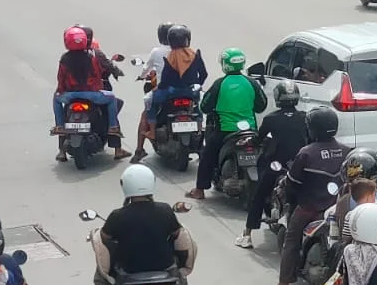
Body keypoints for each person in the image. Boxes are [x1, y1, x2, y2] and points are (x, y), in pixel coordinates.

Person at [93, 165, 197, 285]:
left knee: (100, 278)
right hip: (164, 268)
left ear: (125, 185)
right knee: (180, 274)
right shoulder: (165, 210)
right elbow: (177, 233)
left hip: (130, 271)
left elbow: (105, 239)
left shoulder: (117, 216)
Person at [270, 107, 347, 285]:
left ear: (313, 129)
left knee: (291, 239)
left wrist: (286, 192)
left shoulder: (306, 153)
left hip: (310, 208)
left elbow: (292, 183)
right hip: (339, 207)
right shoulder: (346, 151)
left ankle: (283, 284)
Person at [237, 80, 311, 249]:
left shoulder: (271, 119)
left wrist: (249, 141)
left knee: (259, 194)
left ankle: (247, 235)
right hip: (299, 165)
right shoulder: (305, 117)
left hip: (277, 164)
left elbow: (258, 139)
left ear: (278, 97)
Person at [186, 48, 267, 199]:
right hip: (250, 130)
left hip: (225, 130)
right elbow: (261, 106)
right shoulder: (252, 83)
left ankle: (199, 190)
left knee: (207, 154)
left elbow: (204, 107)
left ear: (225, 64)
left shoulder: (220, 84)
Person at [132, 24, 206, 162]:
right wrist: (196, 84)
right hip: (190, 92)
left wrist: (158, 89)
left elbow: (166, 79)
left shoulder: (170, 56)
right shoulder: (194, 54)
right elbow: (204, 74)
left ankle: (152, 131)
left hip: (170, 93)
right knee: (197, 108)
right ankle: (200, 130)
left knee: (151, 105)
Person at [52, 25, 127, 161]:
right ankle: (113, 129)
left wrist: (61, 92)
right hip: (92, 94)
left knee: (57, 101)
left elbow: (60, 78)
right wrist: (117, 72)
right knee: (112, 99)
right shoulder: (94, 54)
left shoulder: (65, 58)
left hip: (71, 95)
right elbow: (107, 67)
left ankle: (60, 128)